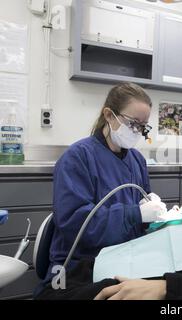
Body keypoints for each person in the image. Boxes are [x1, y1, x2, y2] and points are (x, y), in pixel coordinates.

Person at [34, 83, 167, 297]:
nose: (137, 132)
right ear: (109, 115)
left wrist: (157, 218)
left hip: (123, 261)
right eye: (133, 124)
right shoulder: (78, 158)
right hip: (79, 266)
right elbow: (76, 224)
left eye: (143, 127)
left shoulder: (137, 160)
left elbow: (138, 228)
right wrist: (135, 213)